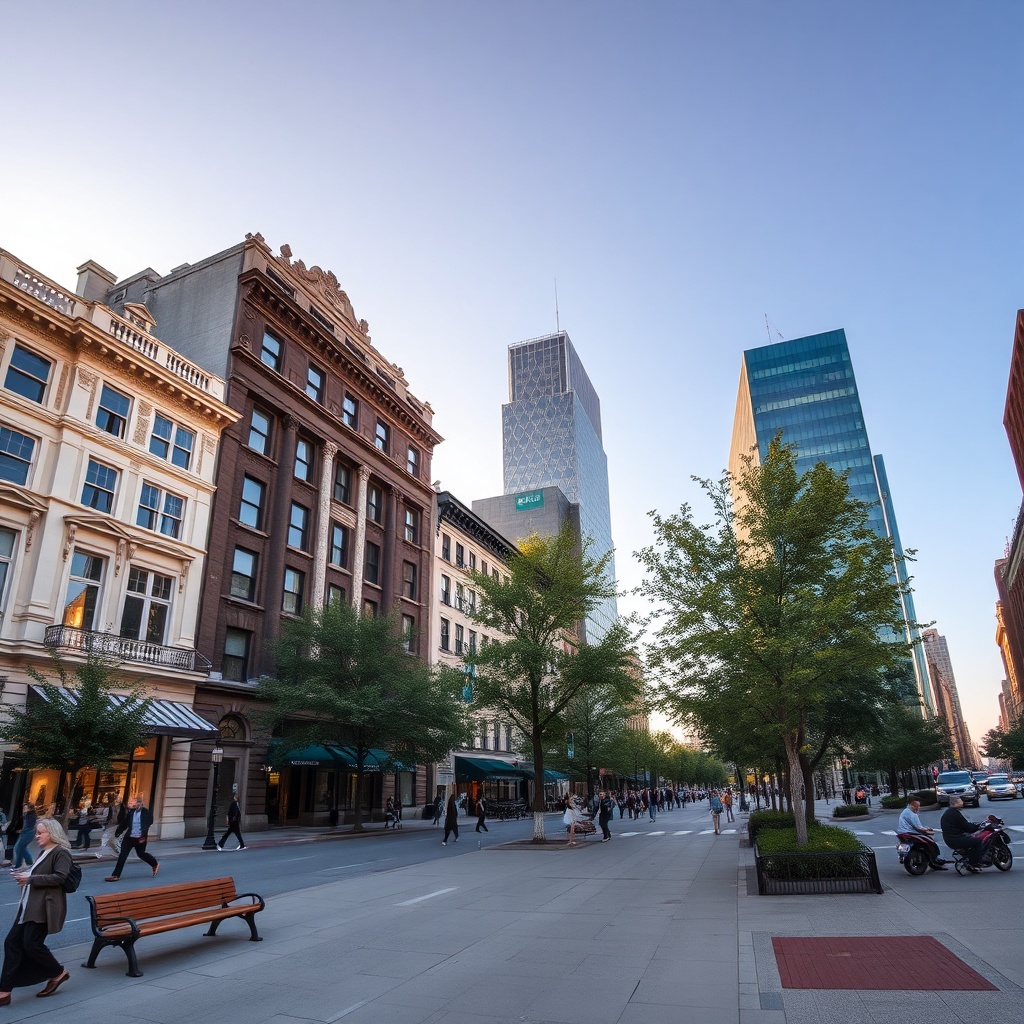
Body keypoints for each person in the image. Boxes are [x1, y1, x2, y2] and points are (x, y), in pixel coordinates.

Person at [0, 818, 73, 1005]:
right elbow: (38, 875)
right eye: (37, 832)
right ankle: (5, 991)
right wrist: (25, 877)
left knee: (32, 945)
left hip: (43, 907)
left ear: (52, 833)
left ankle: (58, 972)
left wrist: (30, 878)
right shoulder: (44, 851)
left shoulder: (61, 852)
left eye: (41, 832)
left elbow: (60, 877)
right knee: (12, 942)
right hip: (29, 905)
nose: (37, 836)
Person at [105, 796, 159, 882]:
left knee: (141, 854)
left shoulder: (146, 812)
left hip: (140, 838)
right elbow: (125, 823)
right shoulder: (131, 812)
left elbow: (149, 822)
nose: (136, 804)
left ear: (141, 803)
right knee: (122, 855)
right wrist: (118, 832)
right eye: (135, 802)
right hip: (129, 838)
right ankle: (115, 875)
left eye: (138, 802)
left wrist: (143, 833)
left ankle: (154, 863)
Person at [897, 798, 946, 870]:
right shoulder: (912, 814)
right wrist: (926, 830)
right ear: (912, 805)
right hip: (910, 832)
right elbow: (919, 828)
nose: (918, 808)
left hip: (904, 832)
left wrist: (926, 829)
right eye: (917, 806)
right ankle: (935, 858)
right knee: (931, 841)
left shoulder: (906, 811)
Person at [940, 797, 986, 873]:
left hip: (949, 839)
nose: (962, 802)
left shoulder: (948, 812)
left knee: (970, 838)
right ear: (955, 803)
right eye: (960, 801)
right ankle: (973, 863)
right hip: (956, 839)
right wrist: (978, 826)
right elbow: (967, 827)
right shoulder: (955, 813)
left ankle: (968, 857)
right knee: (978, 841)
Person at [11, 805, 36, 870]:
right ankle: (29, 862)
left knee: (18, 847)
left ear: (30, 809)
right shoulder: (28, 815)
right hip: (27, 832)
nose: (24, 809)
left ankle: (19, 865)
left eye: (25, 808)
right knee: (21, 848)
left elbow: (28, 826)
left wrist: (21, 830)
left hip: (28, 833)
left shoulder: (30, 815)